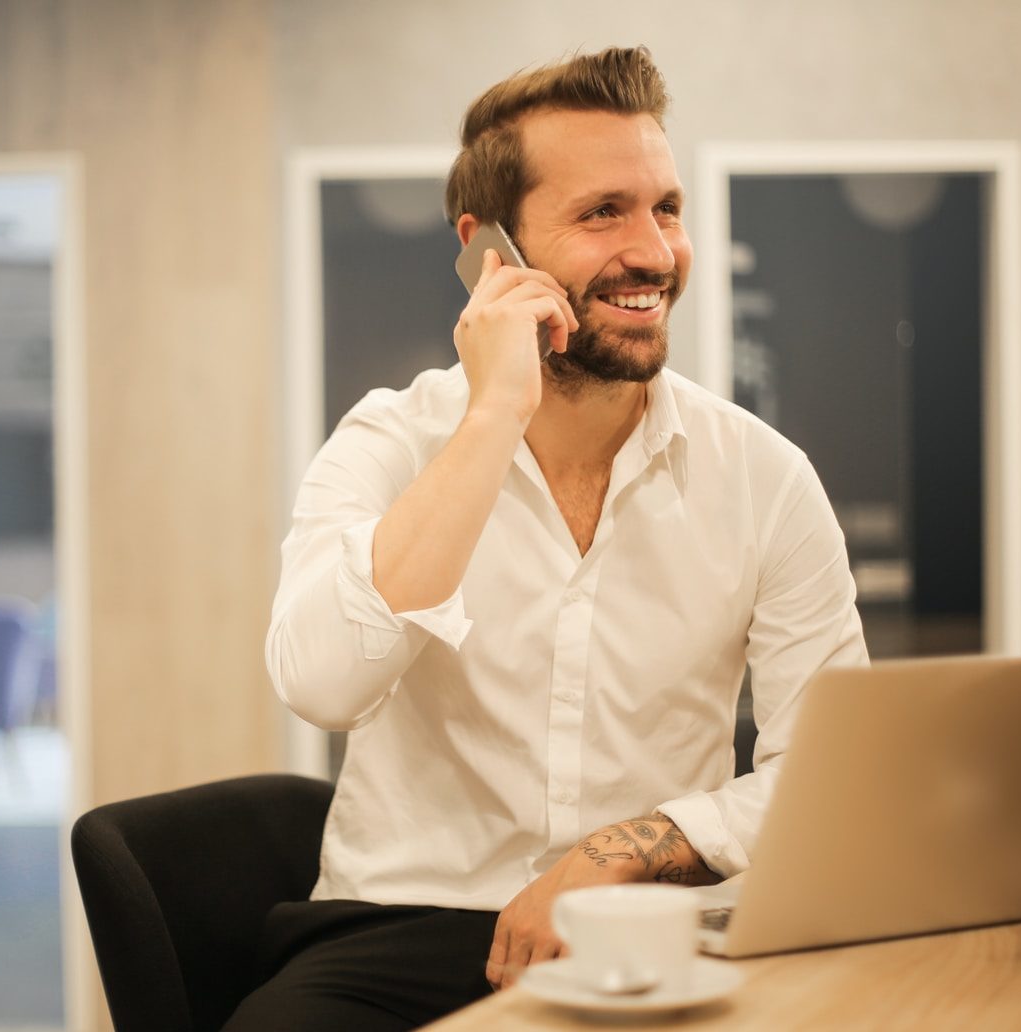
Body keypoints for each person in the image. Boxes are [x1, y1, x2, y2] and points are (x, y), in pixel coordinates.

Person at [244, 45, 868, 1032]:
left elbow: (828, 776)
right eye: (601, 214)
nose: (656, 253)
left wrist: (615, 852)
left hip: (656, 924)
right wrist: (491, 417)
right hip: (405, 926)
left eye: (665, 208)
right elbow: (323, 685)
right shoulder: (389, 440)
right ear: (490, 252)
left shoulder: (765, 477)